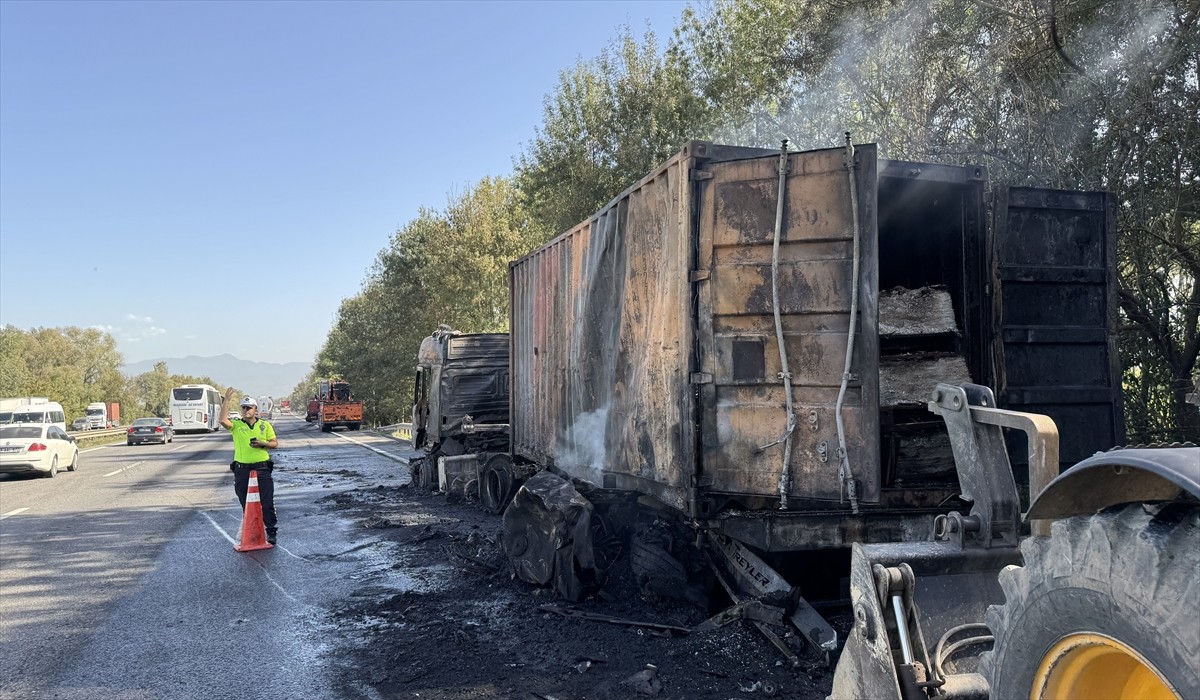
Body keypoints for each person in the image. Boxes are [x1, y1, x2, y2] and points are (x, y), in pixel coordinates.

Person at [219, 387, 280, 543]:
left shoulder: (265, 426)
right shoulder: (236, 425)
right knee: (245, 501)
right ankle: (251, 531)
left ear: (255, 409)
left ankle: (271, 531)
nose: (246, 410)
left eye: (249, 408)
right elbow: (222, 421)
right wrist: (226, 401)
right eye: (243, 408)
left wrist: (262, 443)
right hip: (242, 469)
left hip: (262, 468)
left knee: (267, 501)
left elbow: (274, 444)